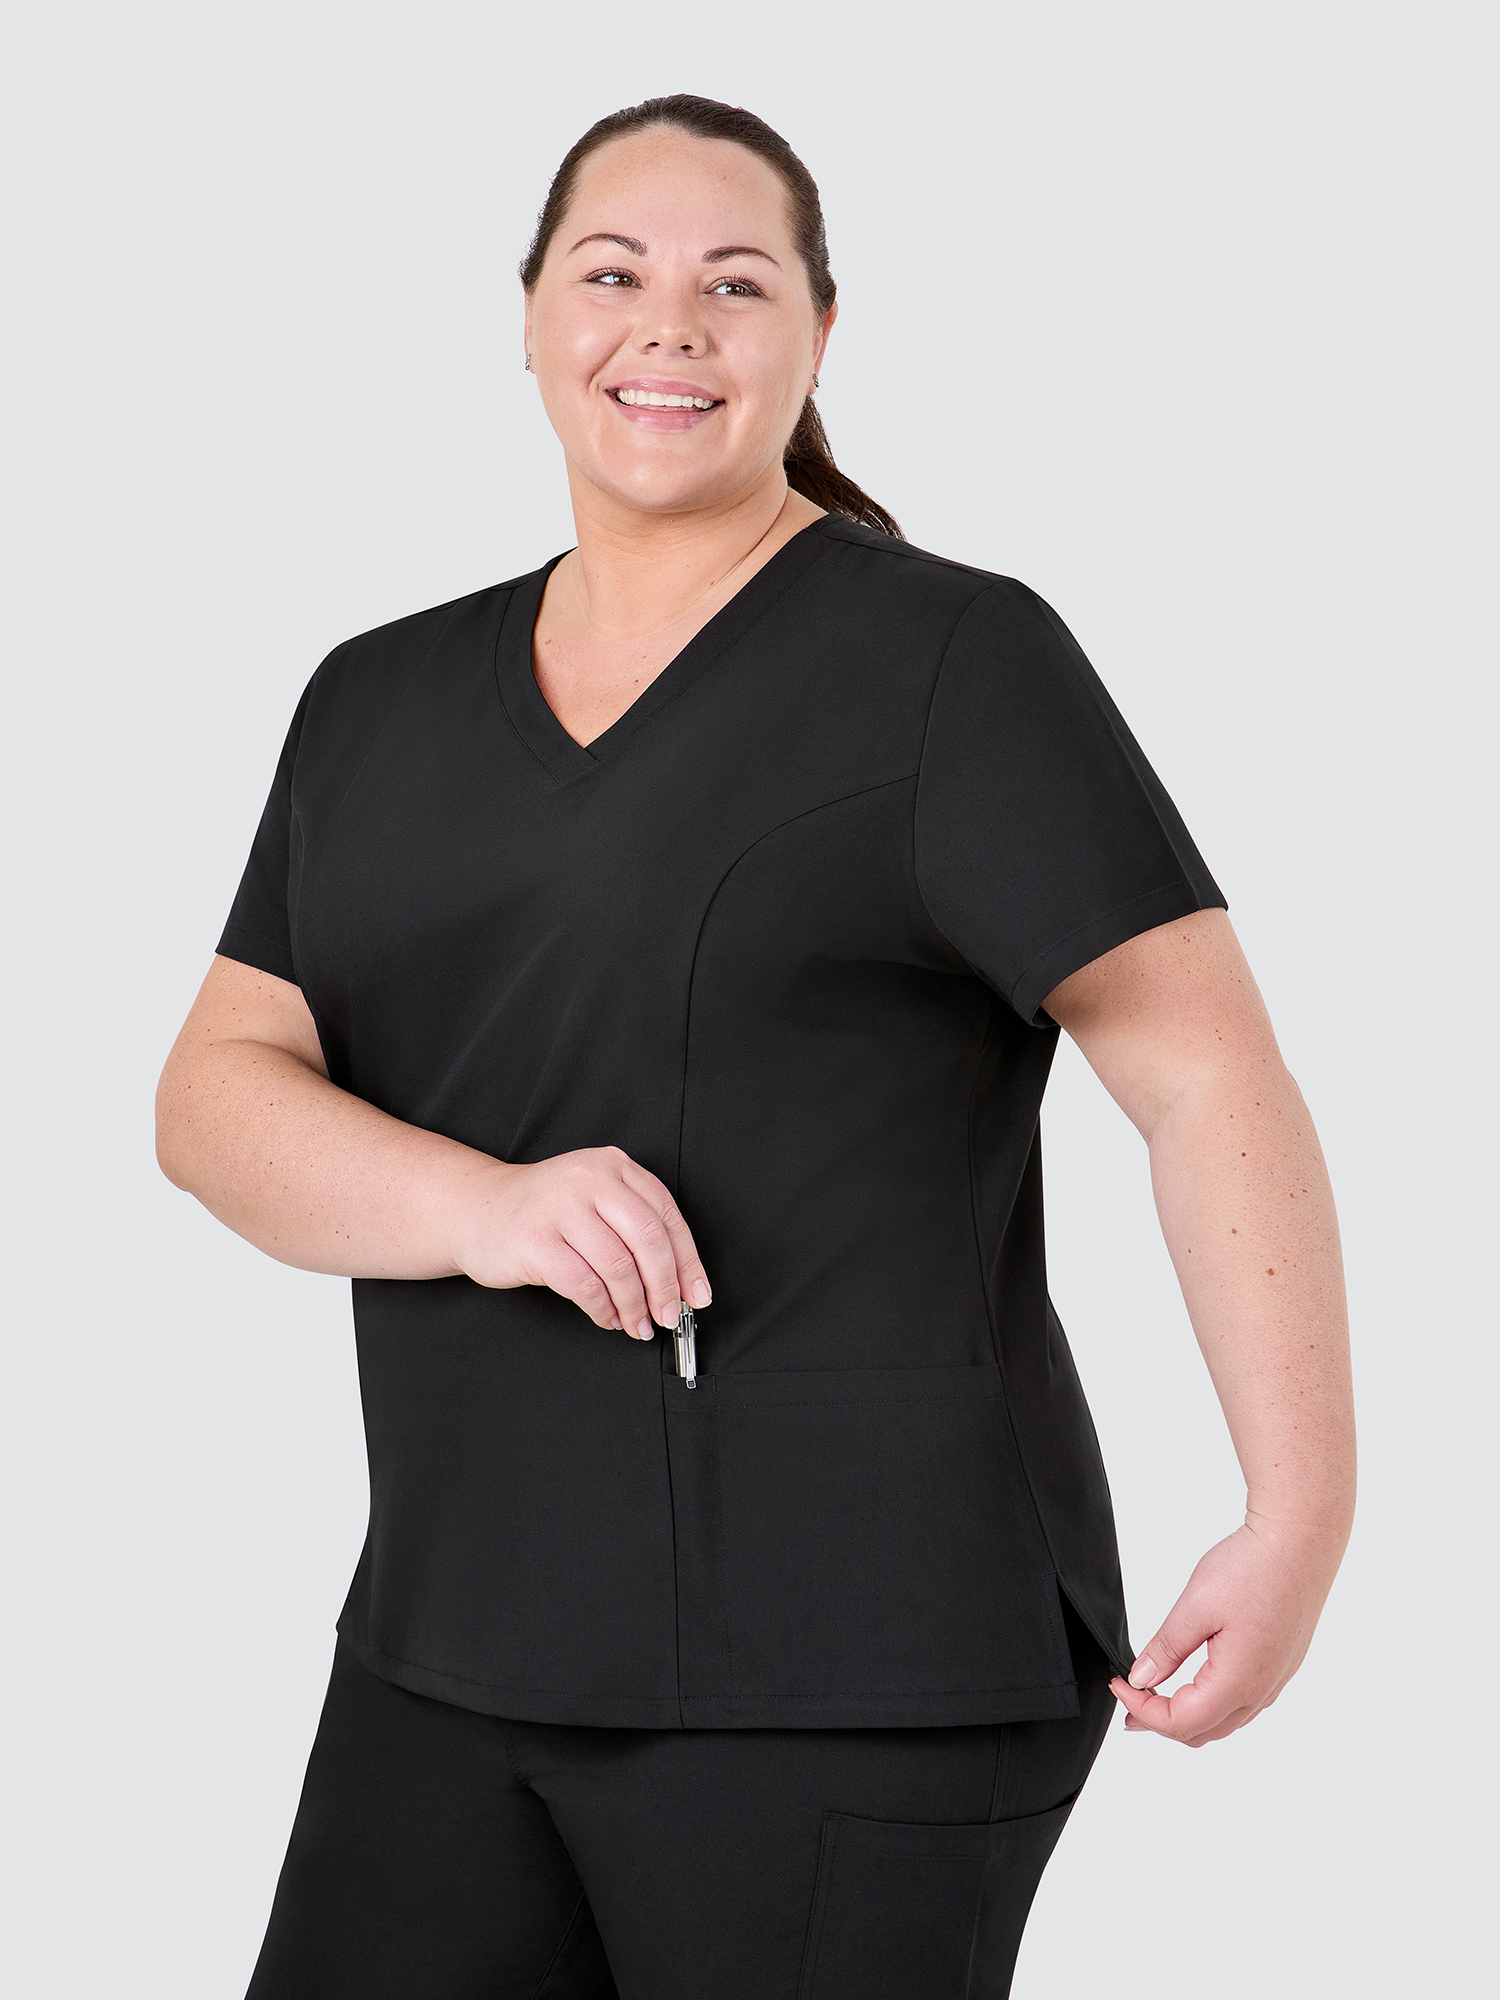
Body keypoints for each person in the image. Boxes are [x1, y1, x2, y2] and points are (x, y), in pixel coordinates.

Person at [156, 93, 1355, 2000]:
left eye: (737, 283)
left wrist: (1299, 1511)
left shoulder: (955, 665)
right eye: (611, 273)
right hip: (450, 1642)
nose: (670, 325)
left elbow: (1207, 1075)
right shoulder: (374, 699)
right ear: (530, 315)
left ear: (817, 335)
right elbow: (216, 1096)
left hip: (856, 1661)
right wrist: (482, 1207)